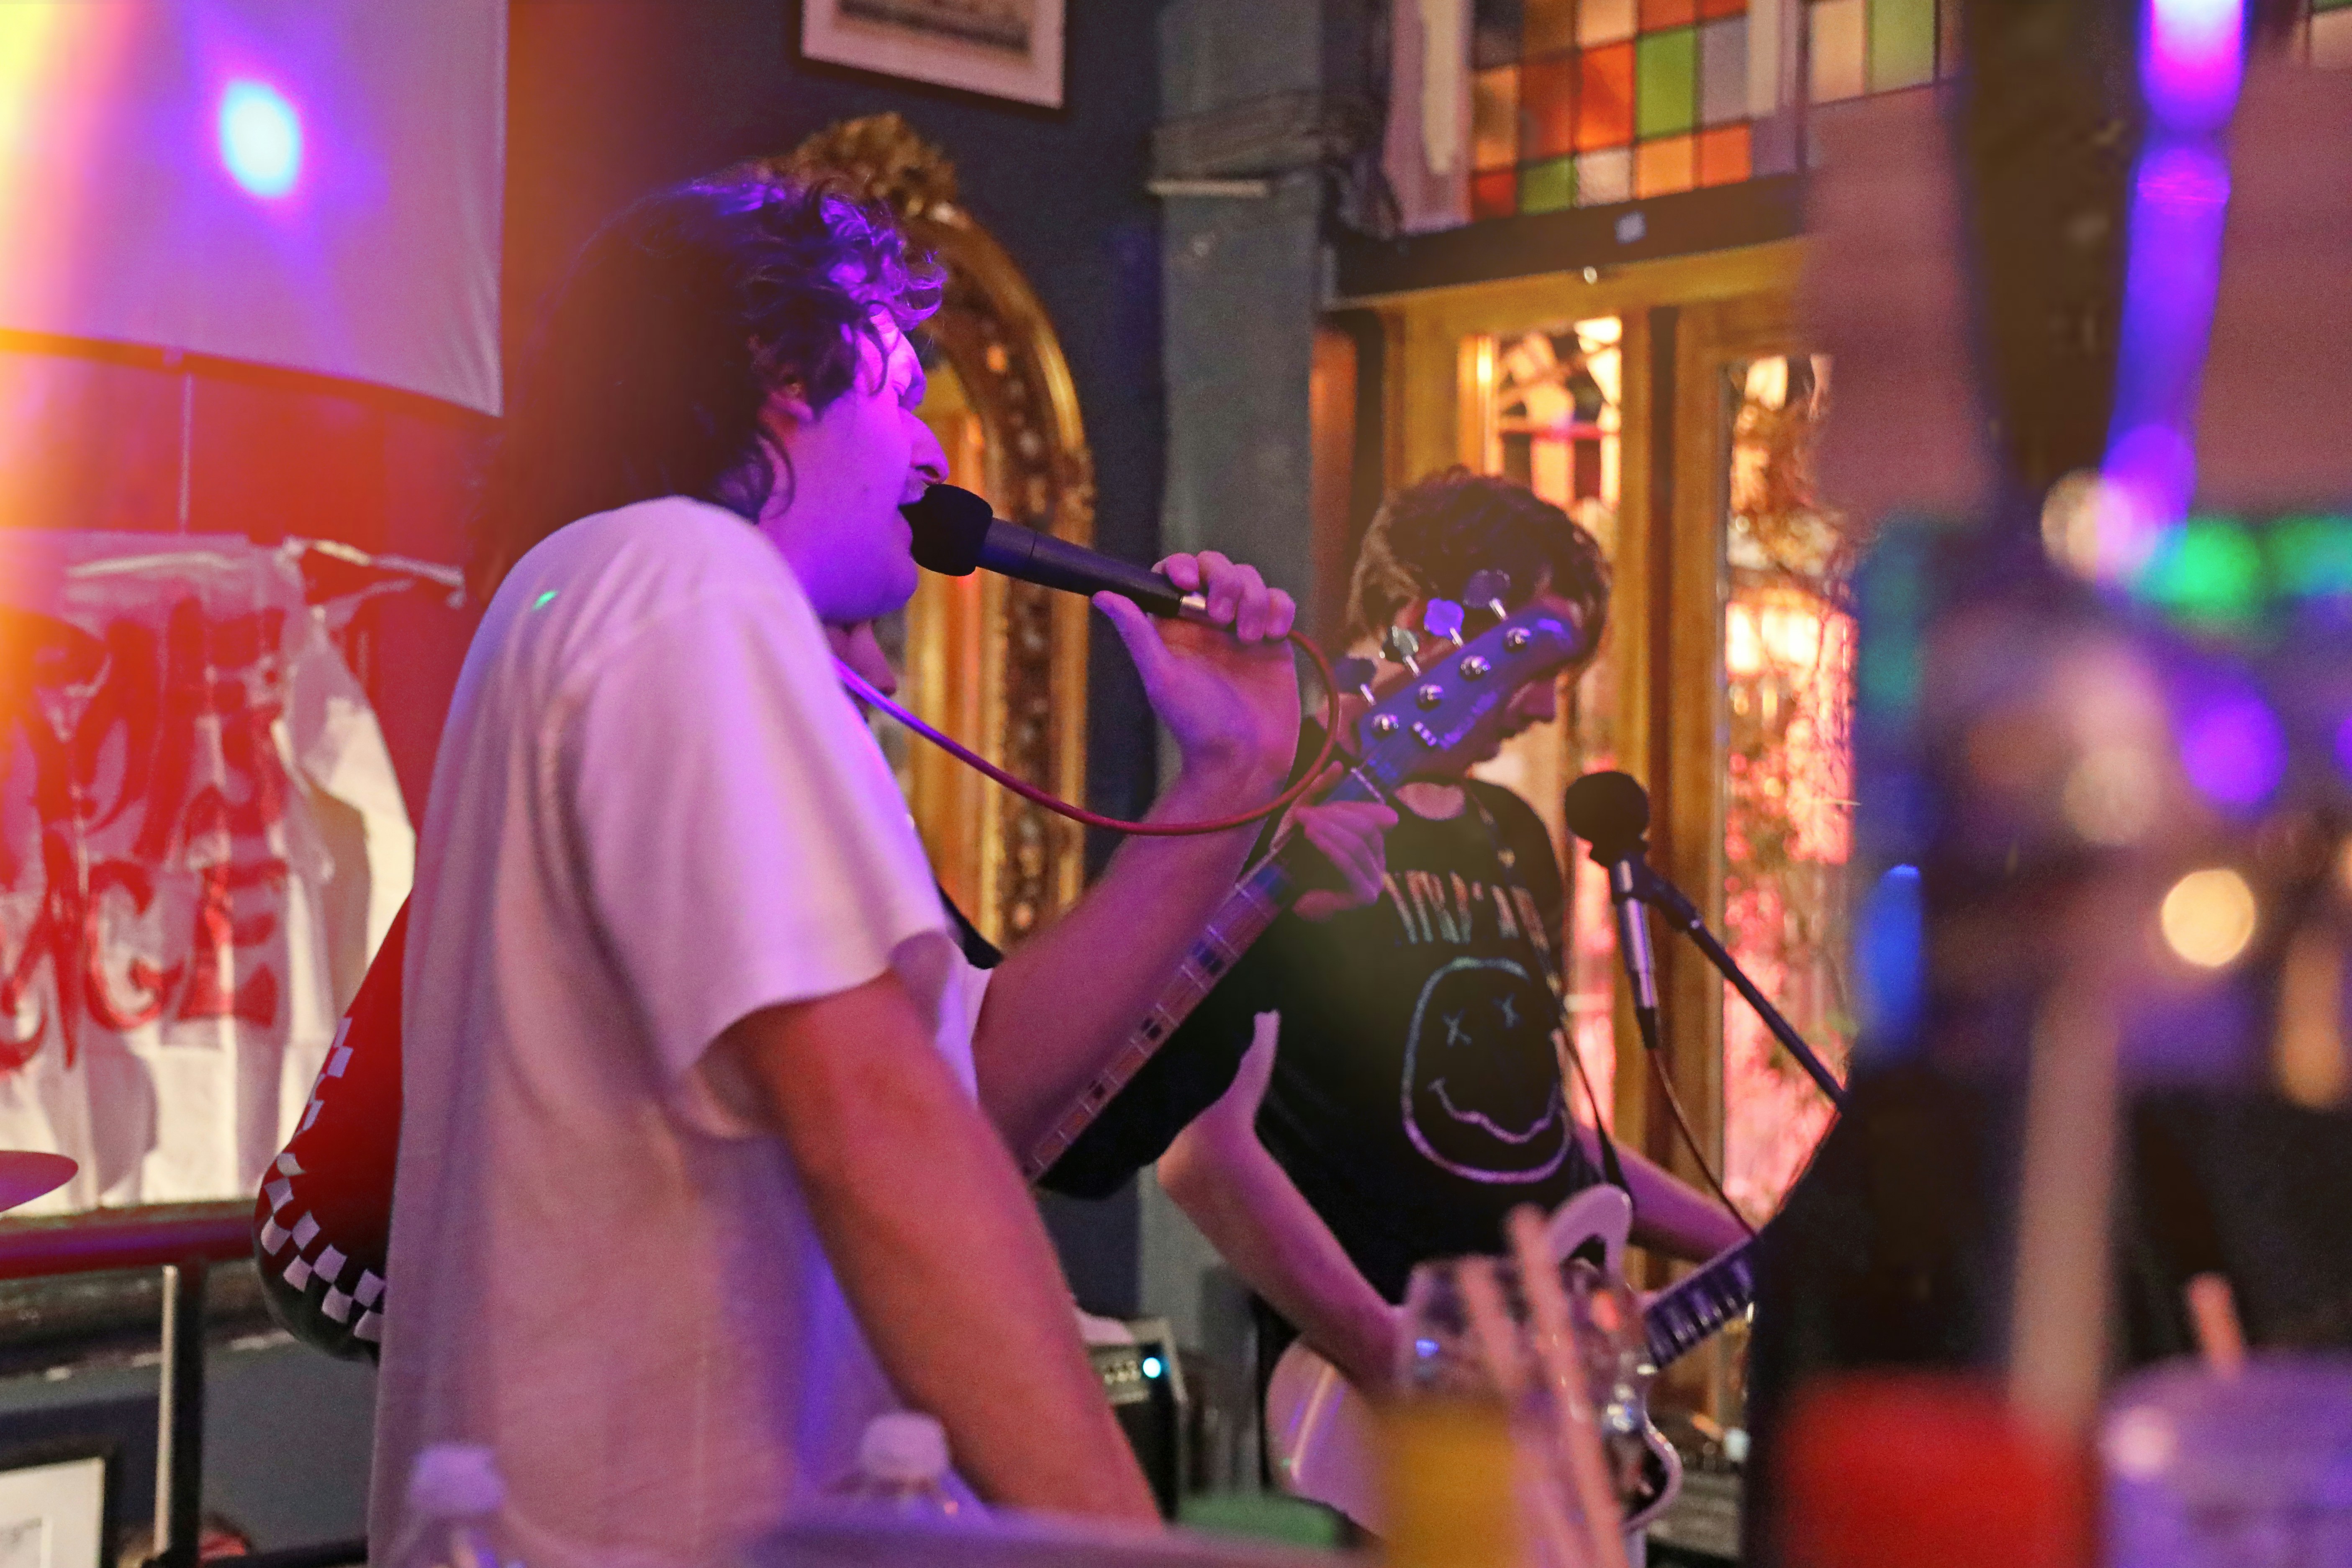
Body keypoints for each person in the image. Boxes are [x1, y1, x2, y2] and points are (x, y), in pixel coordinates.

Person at [365, 170, 1362, 1567]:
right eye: (896, 391)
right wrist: (1131, 1550)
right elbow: (878, 1119)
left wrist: (1233, 775)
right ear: (782, 376)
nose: (927, 455)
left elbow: (976, 1083)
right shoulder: (682, 578)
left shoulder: (587, 590)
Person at [1043, 470, 1752, 1401]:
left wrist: (1743, 1243)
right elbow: (1199, 1152)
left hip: (1522, 1383)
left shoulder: (1510, 836)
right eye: (1537, 667)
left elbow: (1527, 1127)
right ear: (1432, 619)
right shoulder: (1276, 813)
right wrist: (1384, 1348)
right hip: (1357, 1405)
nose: (1546, 707)